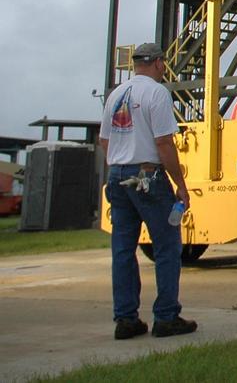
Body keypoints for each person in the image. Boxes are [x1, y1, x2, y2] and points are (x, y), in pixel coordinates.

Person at [98, 42, 197, 340]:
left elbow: (105, 141)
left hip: (118, 175)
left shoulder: (116, 94)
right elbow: (164, 143)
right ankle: (166, 316)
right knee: (167, 245)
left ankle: (126, 319)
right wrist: (180, 184)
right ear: (158, 63)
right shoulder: (157, 93)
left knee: (123, 249)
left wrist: (122, 160)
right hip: (147, 174)